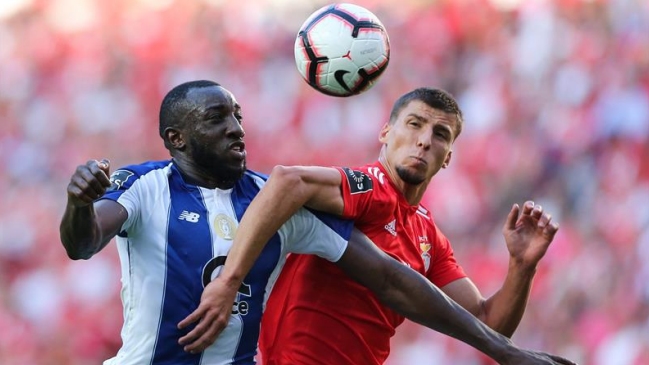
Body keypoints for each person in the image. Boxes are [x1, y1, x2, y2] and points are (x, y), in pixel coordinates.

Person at [60, 80, 574, 365]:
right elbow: (288, 180)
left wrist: (520, 272)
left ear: (450, 157)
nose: (424, 140)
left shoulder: (424, 235)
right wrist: (229, 281)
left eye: (440, 135)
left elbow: (455, 308)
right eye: (414, 125)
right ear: (385, 133)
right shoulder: (367, 188)